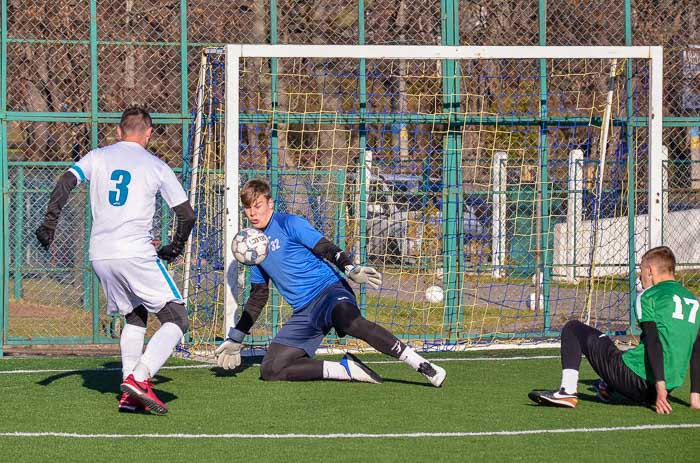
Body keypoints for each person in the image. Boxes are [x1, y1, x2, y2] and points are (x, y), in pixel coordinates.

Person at [35, 107, 195, 415]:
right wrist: (174, 247)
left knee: (135, 316)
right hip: (134, 253)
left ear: (119, 132)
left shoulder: (98, 156)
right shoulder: (156, 165)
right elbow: (186, 215)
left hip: (101, 255)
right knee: (177, 319)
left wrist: (49, 224)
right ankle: (140, 376)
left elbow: (66, 181)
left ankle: (128, 393)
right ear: (148, 134)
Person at [215, 179, 446, 387]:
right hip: (305, 312)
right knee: (271, 368)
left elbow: (325, 247)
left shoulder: (289, 223)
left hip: (330, 292)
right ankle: (345, 369)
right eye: (248, 207)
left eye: (258, 205)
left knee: (351, 322)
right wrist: (237, 337)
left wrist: (350, 268)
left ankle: (420, 364)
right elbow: (258, 297)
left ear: (270, 203)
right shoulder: (252, 249)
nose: (253, 213)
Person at [529, 246, 700, 413]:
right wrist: (694, 397)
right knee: (630, 351)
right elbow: (696, 349)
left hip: (640, 381)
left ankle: (567, 392)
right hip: (658, 392)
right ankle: (607, 385)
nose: (640, 277)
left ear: (650, 270)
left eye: (641, 271)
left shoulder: (649, 296)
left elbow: (653, 339)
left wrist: (659, 384)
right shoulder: (693, 301)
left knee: (573, 328)